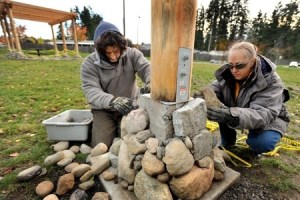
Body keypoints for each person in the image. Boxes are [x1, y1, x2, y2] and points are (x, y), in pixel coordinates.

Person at [207, 41, 290, 154]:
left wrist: (232, 116)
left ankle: (255, 148)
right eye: (230, 65)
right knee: (221, 110)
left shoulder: (271, 80)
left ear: (252, 62)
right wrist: (202, 97)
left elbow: (263, 114)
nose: (234, 70)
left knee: (261, 143)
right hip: (242, 112)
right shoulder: (229, 74)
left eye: (239, 65)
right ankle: (227, 141)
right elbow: (214, 89)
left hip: (269, 118)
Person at [80, 21, 151, 147]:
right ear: (100, 51)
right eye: (108, 53)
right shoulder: (89, 64)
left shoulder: (132, 54)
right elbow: (91, 90)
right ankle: (98, 125)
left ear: (122, 47)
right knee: (102, 146)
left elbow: (147, 68)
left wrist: (151, 82)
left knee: (130, 143)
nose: (113, 57)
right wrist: (112, 101)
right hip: (104, 110)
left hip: (129, 106)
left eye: (116, 51)